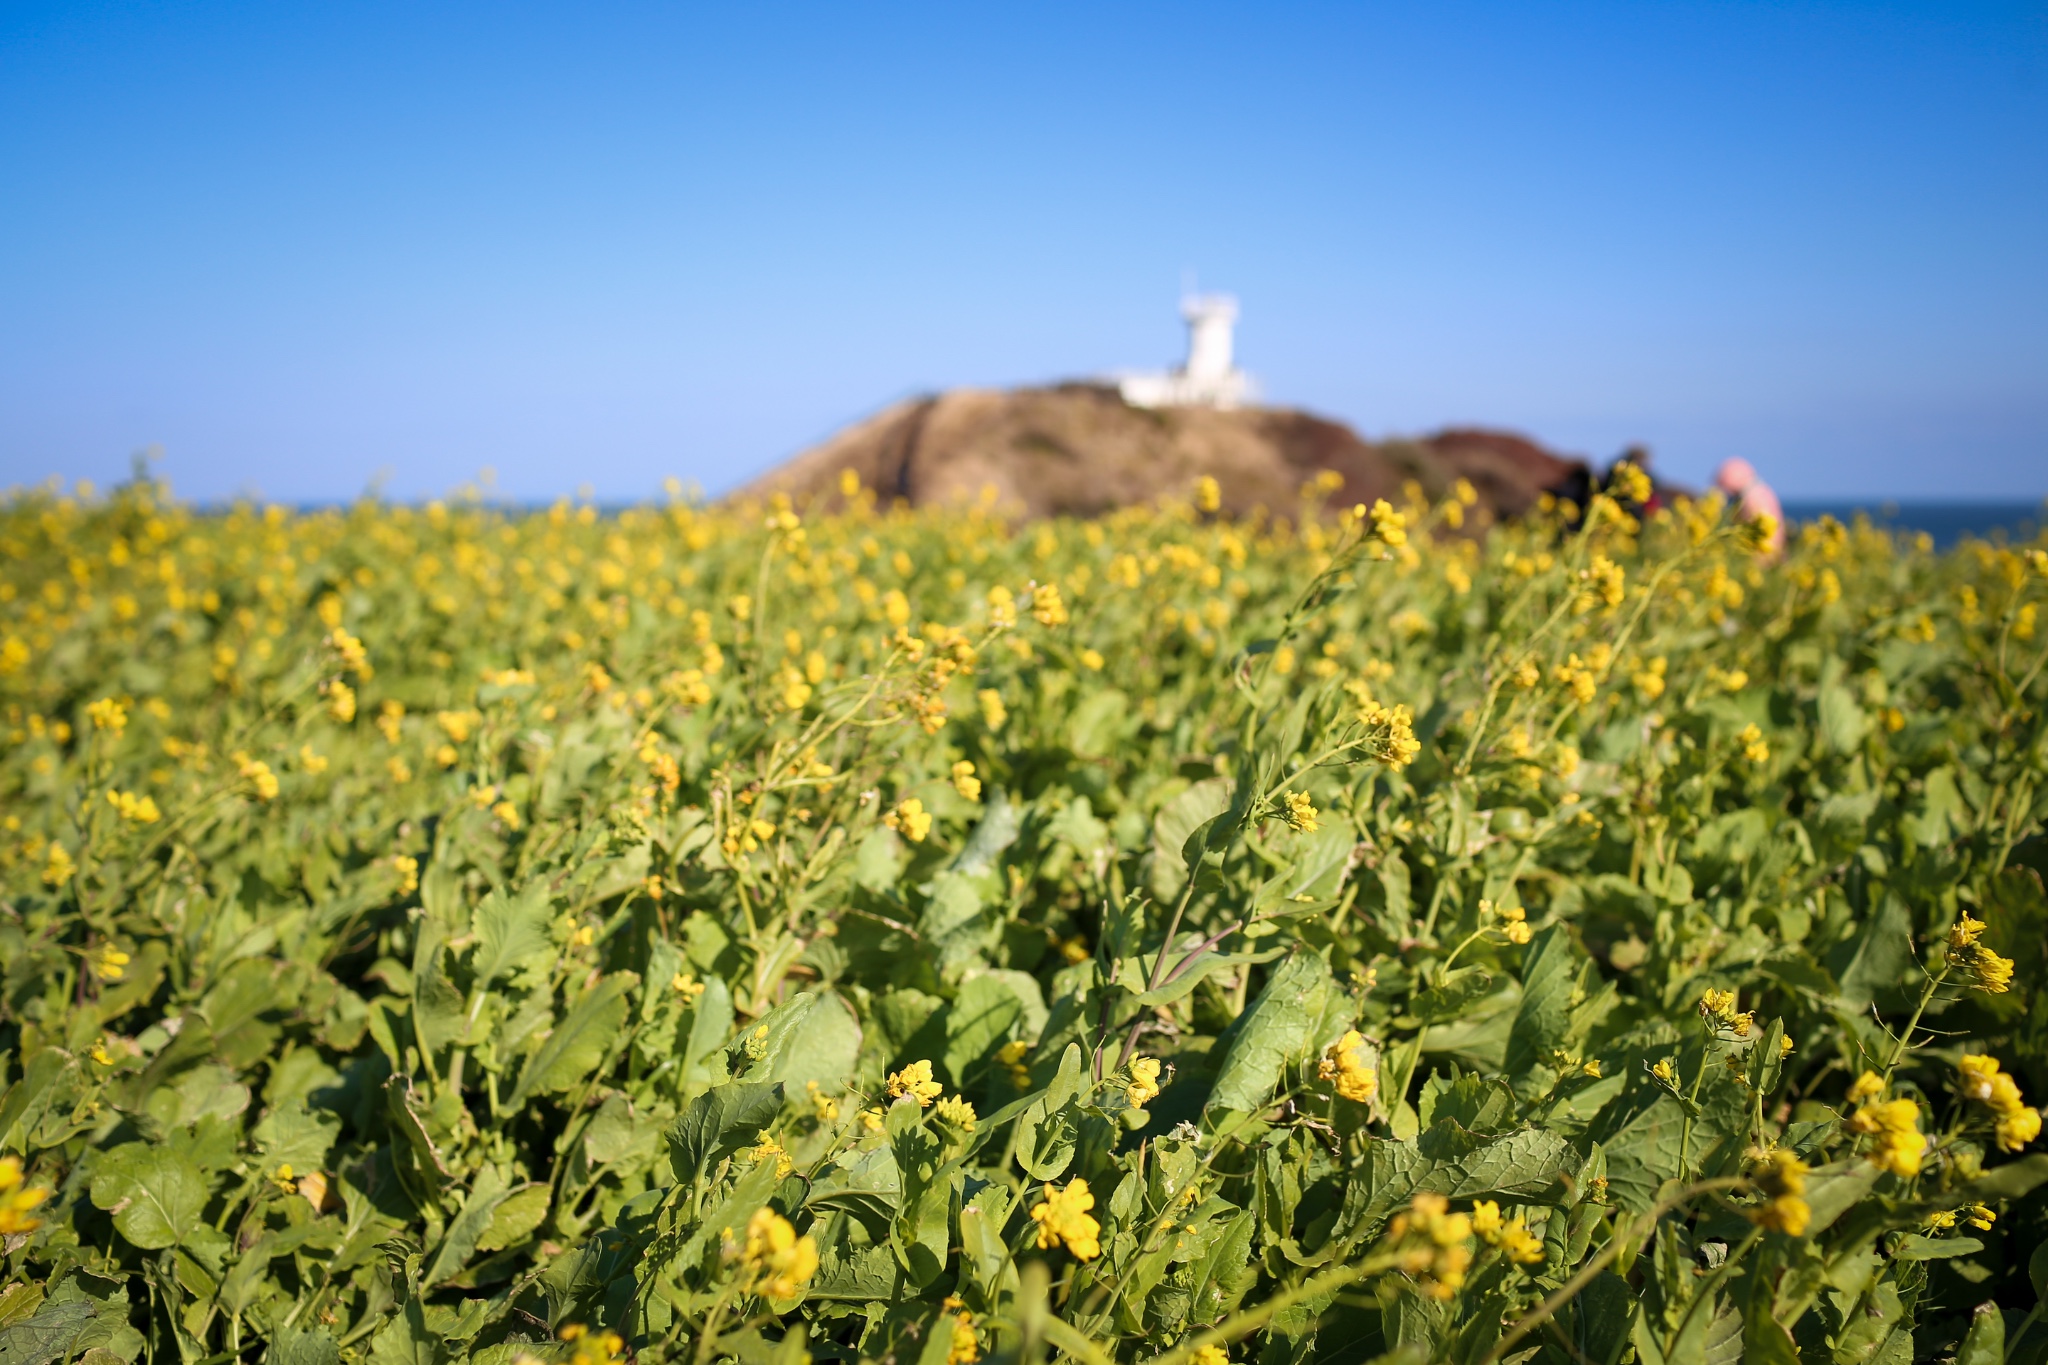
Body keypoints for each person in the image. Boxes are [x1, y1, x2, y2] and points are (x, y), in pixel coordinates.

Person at [1714, 458, 1785, 553]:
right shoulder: (1763, 490)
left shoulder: (1750, 498)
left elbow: (1745, 531)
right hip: (1775, 553)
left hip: (1762, 558)